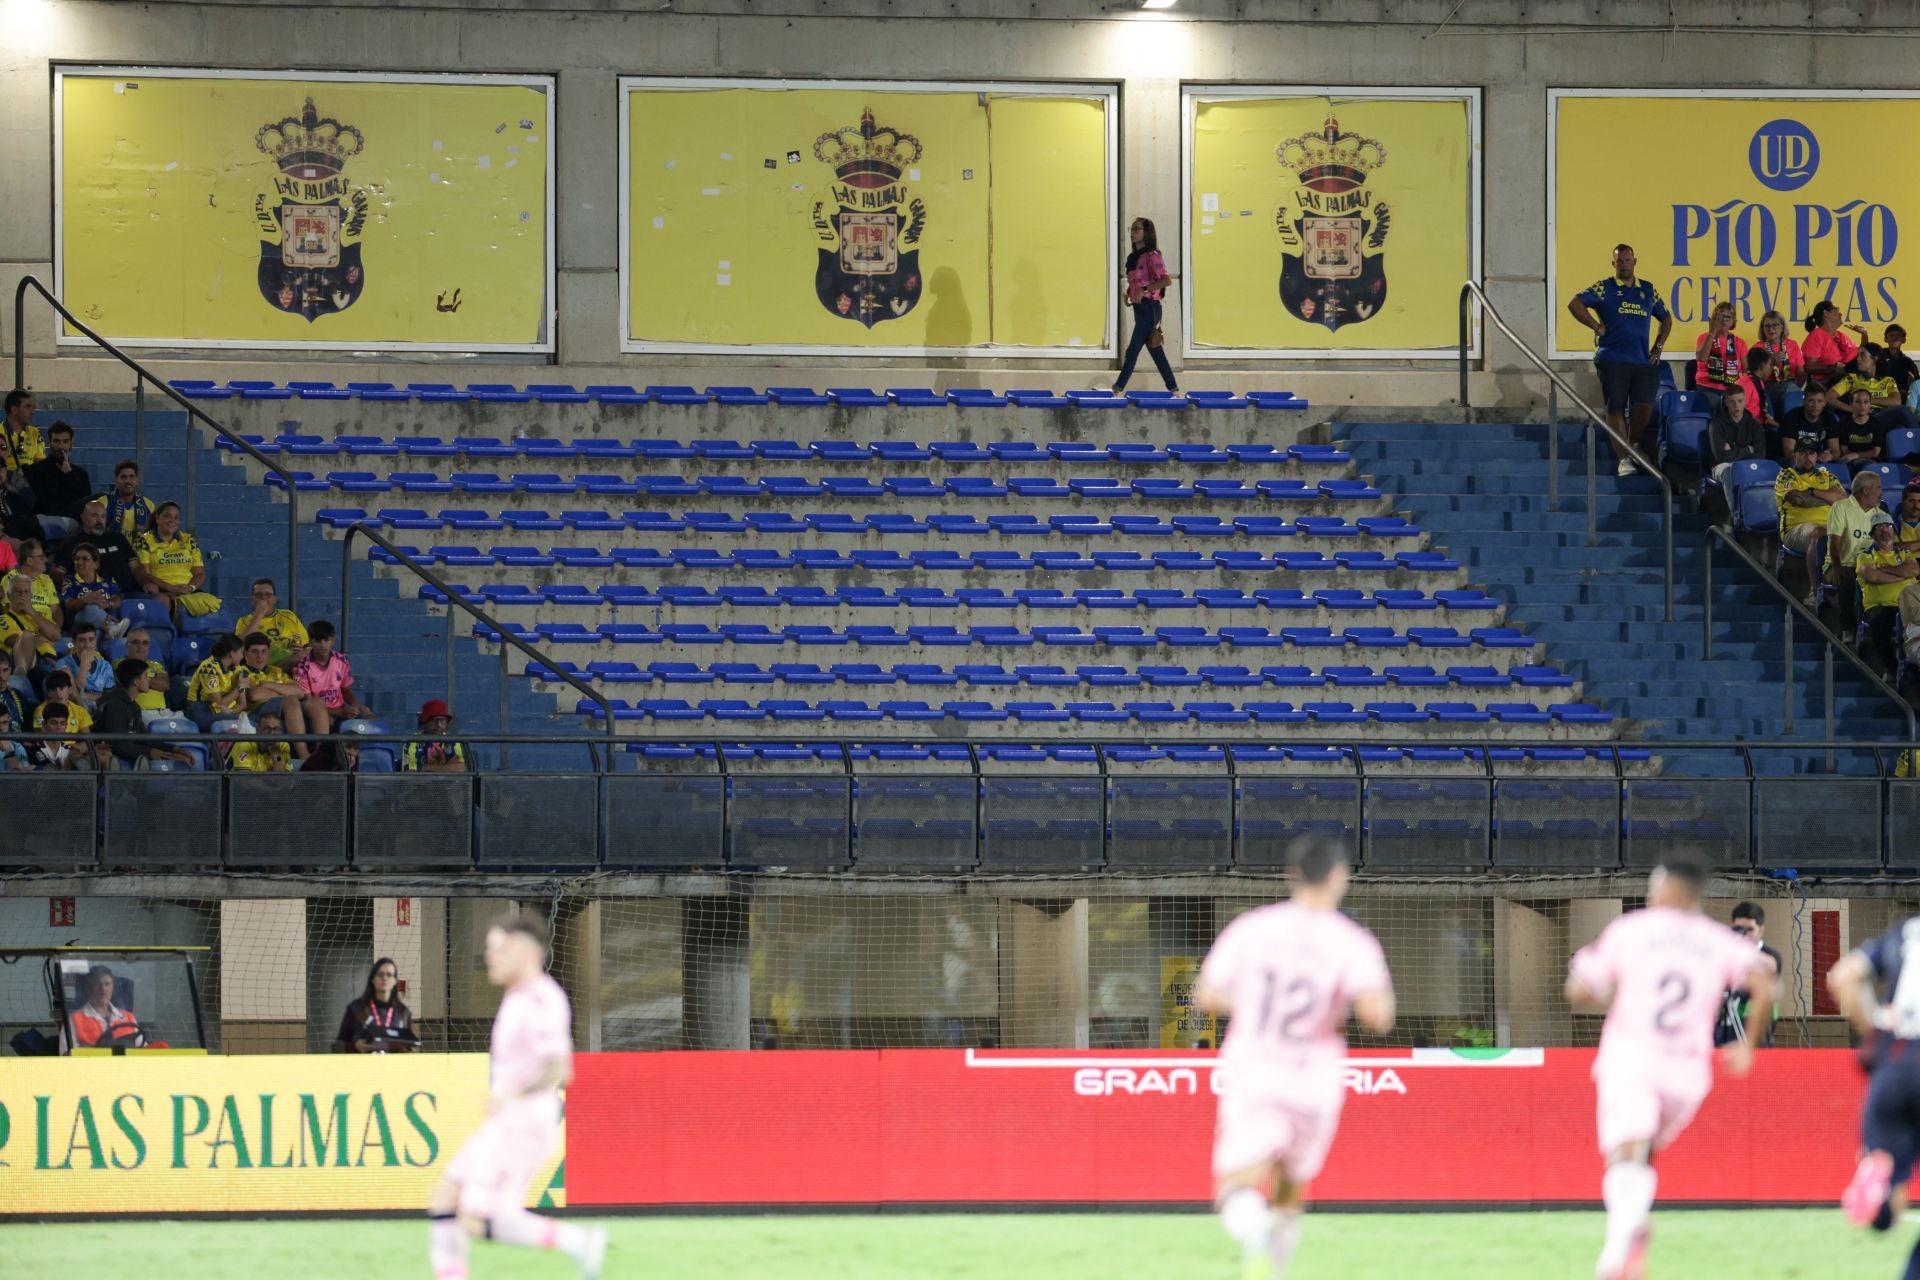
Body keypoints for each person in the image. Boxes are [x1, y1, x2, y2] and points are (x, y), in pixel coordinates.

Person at [1193, 836, 1395, 1279]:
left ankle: (1254, 1234)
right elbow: (1377, 1016)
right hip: (1315, 1082)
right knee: (1289, 1191)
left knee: (1234, 1188)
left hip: (1256, 1072)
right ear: (1339, 877)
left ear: (1291, 875)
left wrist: (1252, 1002)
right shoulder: (1351, 941)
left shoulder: (1252, 928)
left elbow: (1206, 996)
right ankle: (1275, 1266)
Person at [1564, 854, 1774, 1280]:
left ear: (1674, 890)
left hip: (1633, 1057)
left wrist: (1582, 980)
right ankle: (1631, 1234)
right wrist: (1748, 1045)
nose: (1651, 890)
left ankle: (1619, 1245)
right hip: (1687, 1073)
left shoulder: (1632, 929)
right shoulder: (1719, 940)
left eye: (1656, 882)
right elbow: (1765, 980)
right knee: (1642, 1155)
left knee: (1626, 1153)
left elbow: (1582, 991)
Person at [428, 914, 607, 1279]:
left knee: (479, 1218)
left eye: (498, 949)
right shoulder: (516, 996)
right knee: (445, 1195)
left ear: (525, 952)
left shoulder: (542, 999)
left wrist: (514, 1096)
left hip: (524, 1122)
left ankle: (579, 1241)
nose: (490, 957)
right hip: (506, 1121)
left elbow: (560, 1068)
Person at [1828, 911, 1920, 1253]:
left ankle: (1880, 1195)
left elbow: (1843, 976)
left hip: (1896, 1059)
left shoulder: (1907, 933)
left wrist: (1875, 1032)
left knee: (1892, 1179)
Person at [1776, 431, 1847, 607]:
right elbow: (1798, 500)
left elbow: (1844, 501)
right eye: (1803, 453)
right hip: (1795, 530)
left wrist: (1812, 492)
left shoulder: (1827, 476)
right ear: (1796, 455)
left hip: (1829, 527)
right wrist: (1827, 497)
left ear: (1817, 456)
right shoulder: (1787, 475)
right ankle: (1814, 591)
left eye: (1812, 453)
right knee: (1819, 533)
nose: (1808, 457)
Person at [1108, 216, 1178, 395]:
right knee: (1156, 352)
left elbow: (1166, 281)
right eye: (1131, 229)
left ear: (1146, 233)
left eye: (1137, 229)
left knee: (1132, 350)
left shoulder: (1152, 255)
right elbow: (1137, 282)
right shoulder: (1134, 257)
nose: (1132, 232)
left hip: (1150, 308)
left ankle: (1118, 388)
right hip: (1140, 309)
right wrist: (1130, 293)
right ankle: (1174, 389)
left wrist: (1144, 290)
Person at [289, 619, 371, 759]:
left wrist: (359, 707)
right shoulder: (301, 666)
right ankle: (320, 758)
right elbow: (309, 702)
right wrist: (336, 712)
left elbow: (345, 689)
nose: (322, 645)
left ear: (333, 640)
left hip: (340, 710)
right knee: (324, 715)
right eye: (318, 641)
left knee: (369, 718)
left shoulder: (341, 659)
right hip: (314, 712)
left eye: (326, 640)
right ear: (311, 642)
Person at [1710, 903, 1785, 1051]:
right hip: (1725, 1030)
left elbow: (1768, 969)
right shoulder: (1727, 954)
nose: (1744, 934)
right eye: (1739, 929)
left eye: (1749, 930)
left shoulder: (1770, 956)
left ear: (1761, 930)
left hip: (1755, 1034)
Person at [94, 658, 193, 770]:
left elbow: (144, 737)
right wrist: (152, 752)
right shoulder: (115, 705)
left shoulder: (134, 706)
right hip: (106, 754)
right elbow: (116, 743)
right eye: (145, 676)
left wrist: (174, 749)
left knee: (181, 759)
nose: (149, 680)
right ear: (136, 682)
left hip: (129, 751)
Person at [1859, 511, 1918, 678]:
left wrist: (1884, 570)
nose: (1885, 530)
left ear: (1894, 531)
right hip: (1881, 606)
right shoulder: (1865, 556)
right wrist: (1901, 574)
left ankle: (1913, 665)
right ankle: (1893, 669)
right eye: (1879, 527)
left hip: (1908, 604)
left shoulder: (1904, 554)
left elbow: (1913, 570)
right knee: (1879, 623)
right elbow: (1873, 576)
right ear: (1872, 534)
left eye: (1888, 526)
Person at [133, 502, 215, 619]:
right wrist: (170, 588)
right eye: (167, 516)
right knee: (165, 603)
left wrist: (190, 588)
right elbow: (145, 575)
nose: (172, 520)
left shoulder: (188, 540)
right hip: (161, 591)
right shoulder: (144, 541)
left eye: (176, 517)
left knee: (214, 603)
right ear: (157, 518)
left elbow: (200, 573)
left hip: (187, 591)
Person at [1830, 471, 1887, 639]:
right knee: (1847, 579)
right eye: (1878, 488)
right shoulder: (1841, 507)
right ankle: (1847, 628)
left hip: (1870, 564)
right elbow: (1834, 544)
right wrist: (1837, 568)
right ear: (1866, 490)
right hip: (1843, 562)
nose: (1881, 492)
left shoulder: (1880, 512)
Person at [334, 957, 419, 1053]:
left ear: (395, 981)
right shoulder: (355, 1008)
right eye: (380, 974)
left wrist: (405, 1049)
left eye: (389, 975)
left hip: (393, 1067)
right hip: (363, 1066)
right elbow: (338, 1045)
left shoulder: (403, 1012)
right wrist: (355, 1046)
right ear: (373, 979)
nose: (385, 978)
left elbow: (410, 1047)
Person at [1832, 345, 1920, 436]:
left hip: (1883, 417)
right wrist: (1852, 409)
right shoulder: (1851, 379)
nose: (1858, 359)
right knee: (1902, 411)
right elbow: (1828, 398)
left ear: (1874, 359)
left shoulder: (1887, 381)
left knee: (1900, 429)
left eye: (1862, 355)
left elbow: (1896, 401)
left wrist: (1868, 400)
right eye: (1857, 355)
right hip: (1864, 418)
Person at [23, 421, 88, 541]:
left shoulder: (80, 474)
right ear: (50, 443)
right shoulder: (36, 470)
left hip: (74, 526)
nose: (61, 447)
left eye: (65, 441)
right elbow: (47, 503)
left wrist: (69, 475)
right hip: (46, 523)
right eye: (56, 441)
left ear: (71, 444)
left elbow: (84, 504)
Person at [56, 499, 138, 594]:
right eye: (94, 515)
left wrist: (146, 582)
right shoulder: (72, 542)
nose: (99, 520)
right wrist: (75, 585)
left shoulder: (118, 538)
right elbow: (57, 572)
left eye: (103, 516)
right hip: (95, 597)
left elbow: (136, 568)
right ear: (83, 517)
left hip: (129, 594)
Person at [234, 578, 308, 668]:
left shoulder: (289, 616)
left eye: (268, 594)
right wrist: (259, 614)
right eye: (258, 594)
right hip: (264, 669)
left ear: (274, 599)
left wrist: (302, 649)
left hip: (294, 667)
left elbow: (307, 643)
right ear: (252, 599)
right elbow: (238, 647)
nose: (263, 598)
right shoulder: (244, 621)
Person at [1705, 383, 1765, 492]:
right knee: (1729, 472)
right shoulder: (1716, 425)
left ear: (1745, 401)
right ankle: (1735, 509)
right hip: (1722, 467)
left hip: (1748, 464)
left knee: (1776, 469)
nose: (1736, 406)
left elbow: (1760, 454)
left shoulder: (1755, 424)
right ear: (1726, 403)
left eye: (1740, 401)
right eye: (1732, 402)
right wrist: (1748, 449)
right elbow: (1721, 458)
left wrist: (1732, 449)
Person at [59, 542, 126, 637]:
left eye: (84, 559)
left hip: (99, 627)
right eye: (76, 559)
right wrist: (84, 600)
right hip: (80, 624)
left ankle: (110, 630)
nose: (79, 562)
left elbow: (117, 600)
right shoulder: (70, 581)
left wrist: (108, 603)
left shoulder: (109, 581)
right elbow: (69, 604)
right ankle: (111, 628)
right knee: (91, 607)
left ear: (96, 564)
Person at [67, 965, 141, 1048]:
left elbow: (144, 1051)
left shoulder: (128, 1018)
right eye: (97, 984)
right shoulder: (73, 1020)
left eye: (107, 984)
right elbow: (67, 1056)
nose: (103, 989)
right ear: (88, 988)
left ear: (112, 987)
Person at [186, 633, 248, 730]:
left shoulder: (237, 669)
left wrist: (231, 712)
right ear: (232, 653)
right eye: (241, 653)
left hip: (220, 709)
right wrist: (239, 688)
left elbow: (243, 703)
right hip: (199, 709)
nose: (243, 656)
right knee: (241, 724)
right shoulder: (209, 668)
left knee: (245, 722)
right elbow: (218, 703)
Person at [1803, 300, 1870, 387]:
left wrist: (1864, 335)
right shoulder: (1815, 336)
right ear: (1826, 313)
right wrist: (1833, 368)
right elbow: (1810, 367)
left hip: (1847, 380)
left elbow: (1859, 356)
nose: (1841, 314)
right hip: (1826, 383)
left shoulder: (1841, 335)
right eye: (1837, 310)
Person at [2, 538, 63, 631]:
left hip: (49, 632)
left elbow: (56, 609)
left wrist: (56, 629)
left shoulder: (46, 580)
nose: (46, 560)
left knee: (70, 644)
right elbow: (5, 611)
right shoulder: (11, 580)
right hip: (25, 633)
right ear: (30, 561)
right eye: (41, 557)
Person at [1755, 309, 1806, 421]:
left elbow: (1801, 372)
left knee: (1793, 391)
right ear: (1762, 329)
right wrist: (1772, 363)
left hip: (1789, 384)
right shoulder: (1758, 348)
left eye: (1775, 325)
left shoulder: (1792, 344)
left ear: (1782, 327)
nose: (1771, 329)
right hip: (1767, 386)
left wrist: (1795, 385)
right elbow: (1756, 378)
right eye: (1767, 326)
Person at [1692, 301, 1747, 402]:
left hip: (1731, 390)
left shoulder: (1739, 342)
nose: (1724, 320)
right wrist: (1712, 332)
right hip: (1706, 388)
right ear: (1714, 319)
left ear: (1733, 321)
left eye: (1728, 317)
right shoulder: (1704, 337)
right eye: (1720, 316)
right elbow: (1701, 358)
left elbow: (1746, 371)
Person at [54, 622, 115, 710]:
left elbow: (111, 696)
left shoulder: (105, 665)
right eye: (82, 640)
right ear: (74, 642)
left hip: (103, 710)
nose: (87, 645)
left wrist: (85, 695)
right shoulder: (62, 664)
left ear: (96, 641)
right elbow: (72, 696)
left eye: (91, 640)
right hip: (76, 710)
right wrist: (84, 665)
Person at [1778, 382, 1842, 463]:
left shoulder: (1829, 418)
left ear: (1825, 403)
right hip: (1797, 460)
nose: (1815, 405)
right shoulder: (1791, 418)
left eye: (1820, 401)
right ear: (1804, 401)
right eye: (1811, 401)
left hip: (1818, 459)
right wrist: (1809, 459)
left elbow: (1835, 451)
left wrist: (1830, 456)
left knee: (1840, 463)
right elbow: (1789, 453)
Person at [404, 699, 472, 772]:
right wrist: (447, 767)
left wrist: (428, 767)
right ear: (425, 722)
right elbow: (412, 777)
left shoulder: (453, 742)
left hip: (450, 783)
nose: (439, 725)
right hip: (423, 784)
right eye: (434, 721)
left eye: (443, 721)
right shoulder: (413, 741)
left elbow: (461, 769)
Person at [121, 628, 171, 723]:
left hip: (165, 712)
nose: (141, 646)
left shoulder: (156, 665)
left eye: (145, 643)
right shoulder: (120, 664)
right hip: (141, 712)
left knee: (189, 730)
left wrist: (141, 679)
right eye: (136, 642)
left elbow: (165, 685)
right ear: (127, 646)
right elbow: (129, 680)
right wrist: (154, 679)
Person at [98, 459, 155, 541]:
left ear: (137, 480)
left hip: (140, 552)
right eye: (123, 477)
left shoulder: (149, 505)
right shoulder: (103, 503)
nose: (127, 481)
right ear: (116, 480)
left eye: (131, 476)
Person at [1833, 387, 1889, 465]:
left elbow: (1875, 452)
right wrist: (1854, 457)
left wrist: (1857, 455)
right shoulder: (1843, 424)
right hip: (1850, 460)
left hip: (1870, 462)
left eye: (1865, 402)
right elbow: (1844, 450)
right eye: (1857, 402)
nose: (1862, 405)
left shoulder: (1877, 423)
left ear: (1870, 404)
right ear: (1851, 403)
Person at [228, 708, 293, 773]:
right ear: (258, 730)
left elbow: (283, 779)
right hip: (227, 782)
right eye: (267, 728)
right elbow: (244, 780)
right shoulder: (244, 744)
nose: (272, 733)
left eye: (276, 729)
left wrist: (276, 756)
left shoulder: (283, 746)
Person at [2, 388, 45, 473]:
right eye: (28, 407)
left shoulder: (35, 433)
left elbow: (40, 465)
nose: (33, 412)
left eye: (33, 407)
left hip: (28, 483)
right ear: (14, 410)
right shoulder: (1, 431)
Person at [0, 698, 28, 771]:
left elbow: (21, 777)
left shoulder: (17, 747)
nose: (1, 727)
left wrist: (8, 750)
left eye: (5, 722)